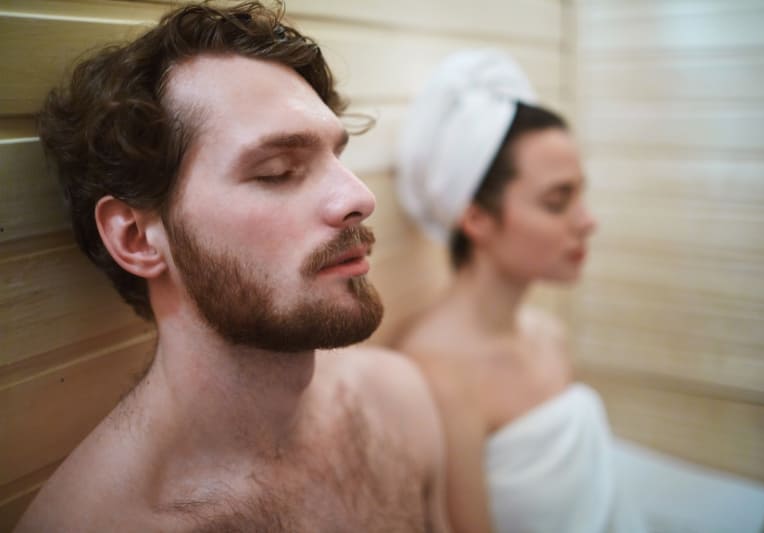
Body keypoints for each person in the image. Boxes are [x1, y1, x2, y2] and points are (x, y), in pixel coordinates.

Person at [15, 3, 449, 531]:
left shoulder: (400, 404)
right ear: (136, 238)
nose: (357, 197)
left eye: (338, 157)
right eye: (278, 171)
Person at [394, 50, 646, 533]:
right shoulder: (437, 377)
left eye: (580, 194)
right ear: (476, 219)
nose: (587, 221)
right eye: (557, 201)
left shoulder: (548, 334)